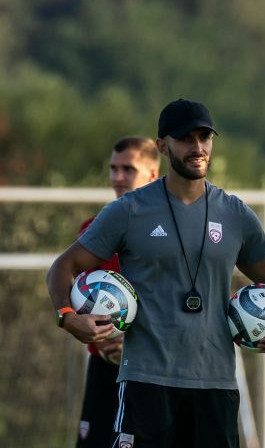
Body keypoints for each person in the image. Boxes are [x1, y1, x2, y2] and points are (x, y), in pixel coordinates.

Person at [47, 98, 265, 448]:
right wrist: (67, 316)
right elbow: (63, 267)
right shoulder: (128, 210)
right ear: (162, 145)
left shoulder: (236, 214)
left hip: (215, 385)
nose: (198, 147)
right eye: (186, 138)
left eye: (205, 137)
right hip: (145, 383)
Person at [76, 136, 159, 448]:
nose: (118, 177)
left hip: (151, 372)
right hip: (103, 368)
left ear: (152, 174)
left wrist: (136, 341)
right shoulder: (92, 228)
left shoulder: (169, 232)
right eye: (113, 169)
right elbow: (77, 297)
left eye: (128, 169)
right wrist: (97, 335)